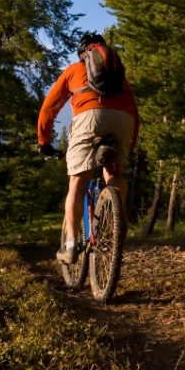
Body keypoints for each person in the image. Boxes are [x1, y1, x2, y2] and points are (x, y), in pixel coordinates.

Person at [37, 32, 139, 264]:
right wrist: (128, 146)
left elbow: (48, 109)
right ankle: (114, 221)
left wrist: (44, 143)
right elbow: (135, 112)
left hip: (89, 116)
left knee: (78, 181)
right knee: (115, 174)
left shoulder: (74, 70)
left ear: (83, 54)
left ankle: (71, 245)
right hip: (124, 118)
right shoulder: (120, 78)